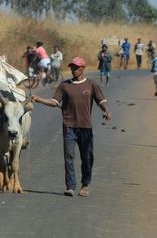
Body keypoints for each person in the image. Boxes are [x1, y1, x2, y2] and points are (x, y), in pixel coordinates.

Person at [30, 56, 111, 197]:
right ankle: (70, 186)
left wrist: (106, 110)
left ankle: (85, 185)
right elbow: (54, 102)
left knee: (87, 158)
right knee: (69, 157)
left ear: (83, 68)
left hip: (85, 126)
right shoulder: (64, 85)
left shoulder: (91, 85)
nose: (73, 70)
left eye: (76, 67)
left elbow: (101, 101)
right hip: (69, 126)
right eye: (72, 67)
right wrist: (39, 99)